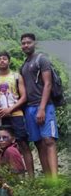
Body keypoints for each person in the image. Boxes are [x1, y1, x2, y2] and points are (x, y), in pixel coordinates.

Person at [0, 51, 34, 177]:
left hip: (16, 114)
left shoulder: (17, 76)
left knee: (23, 143)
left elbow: (23, 97)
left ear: (9, 61)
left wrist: (10, 109)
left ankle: (31, 177)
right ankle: (2, 176)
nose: (2, 61)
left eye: (4, 58)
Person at [20, 33, 59, 178]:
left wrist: (42, 108)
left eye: (28, 42)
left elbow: (48, 84)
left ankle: (55, 180)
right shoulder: (23, 66)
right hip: (29, 108)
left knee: (49, 140)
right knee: (38, 143)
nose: (26, 45)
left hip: (45, 106)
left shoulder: (41, 59)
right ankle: (48, 179)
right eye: (23, 43)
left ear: (35, 43)